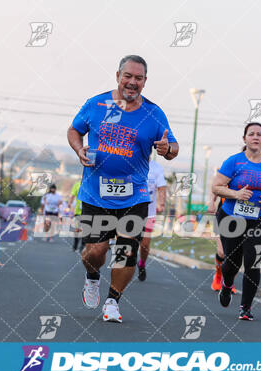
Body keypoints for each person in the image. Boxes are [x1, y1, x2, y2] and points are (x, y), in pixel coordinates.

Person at [67, 55, 179, 323]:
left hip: (135, 195)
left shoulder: (154, 113)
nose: (132, 82)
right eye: (128, 76)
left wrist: (167, 149)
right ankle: (92, 277)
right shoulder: (97, 104)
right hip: (96, 191)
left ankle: (113, 300)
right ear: (117, 75)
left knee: (126, 251)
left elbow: (173, 147)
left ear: (145, 82)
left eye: (138, 78)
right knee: (95, 251)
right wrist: (78, 147)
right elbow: (74, 130)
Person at [211, 122, 261, 321]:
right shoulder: (234, 162)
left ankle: (246, 308)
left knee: (253, 262)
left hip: (257, 219)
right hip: (231, 217)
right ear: (244, 139)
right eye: (251, 134)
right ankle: (226, 285)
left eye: (259, 134)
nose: (255, 137)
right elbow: (216, 187)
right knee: (231, 262)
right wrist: (236, 193)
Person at [137, 157, 167, 281]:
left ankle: (142, 264)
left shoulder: (156, 168)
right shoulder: (132, 162)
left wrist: (161, 203)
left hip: (149, 213)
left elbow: (162, 188)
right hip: (130, 211)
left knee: (145, 244)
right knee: (128, 241)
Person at [207, 192, 235, 295]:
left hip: (242, 219)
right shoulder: (227, 175)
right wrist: (211, 202)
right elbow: (216, 187)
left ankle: (228, 281)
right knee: (222, 252)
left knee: (234, 254)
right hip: (223, 215)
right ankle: (218, 276)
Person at [69, 180, 85, 253]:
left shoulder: (90, 183)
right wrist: (69, 203)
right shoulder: (77, 184)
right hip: (78, 211)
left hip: (88, 212)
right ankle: (75, 245)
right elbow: (72, 195)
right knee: (77, 229)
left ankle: (82, 245)